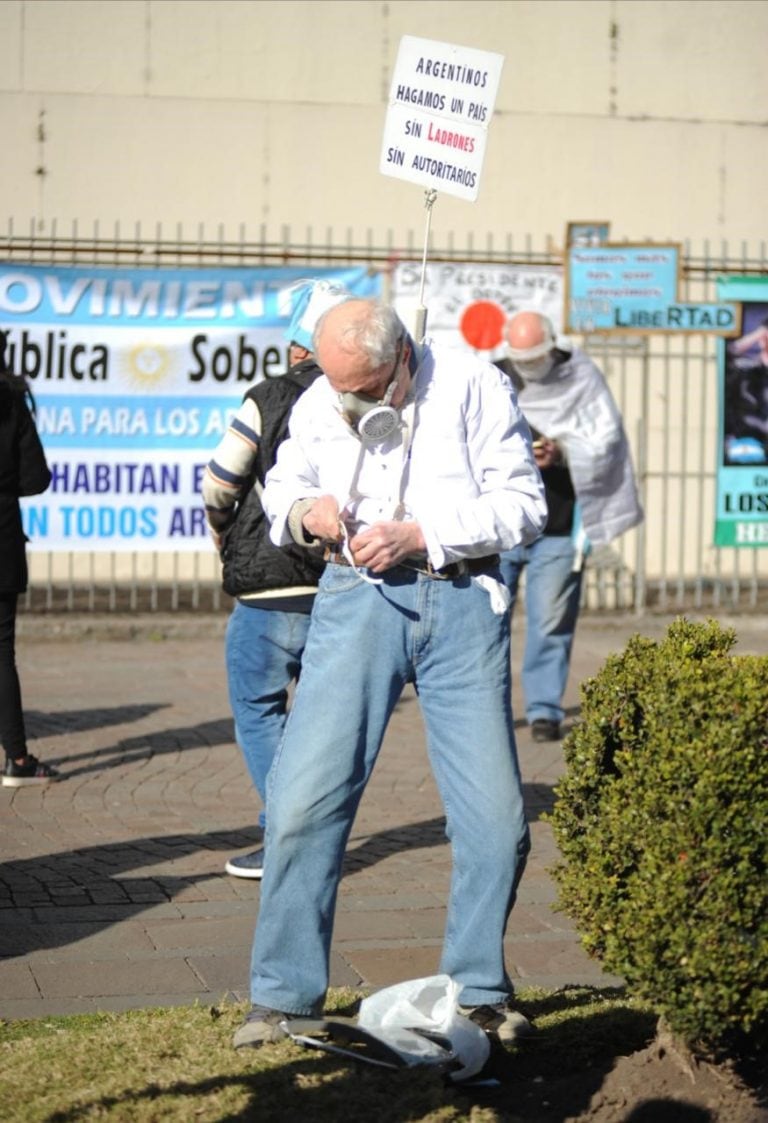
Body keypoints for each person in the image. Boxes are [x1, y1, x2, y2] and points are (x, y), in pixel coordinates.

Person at [232, 297, 547, 1050]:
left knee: (497, 822)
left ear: (403, 356)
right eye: (343, 389)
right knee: (303, 800)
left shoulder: (473, 384)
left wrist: (423, 533)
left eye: (370, 391)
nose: (353, 406)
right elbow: (278, 486)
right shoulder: (318, 402)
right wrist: (306, 510)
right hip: (355, 603)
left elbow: (524, 506)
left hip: (463, 601)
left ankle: (475, 992)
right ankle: (282, 997)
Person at [201, 280, 351, 878]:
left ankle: (285, 839)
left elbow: (221, 481)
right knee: (323, 721)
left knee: (259, 709)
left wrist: (220, 529)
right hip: (340, 582)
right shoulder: (367, 393)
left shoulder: (269, 396)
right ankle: (317, 831)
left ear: (296, 346)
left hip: (268, 586)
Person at [497, 310, 643, 743]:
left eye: (535, 356)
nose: (527, 366)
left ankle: (544, 710)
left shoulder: (580, 375)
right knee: (485, 624)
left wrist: (559, 452)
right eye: (520, 358)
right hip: (501, 529)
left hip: (560, 526)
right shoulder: (494, 377)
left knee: (550, 623)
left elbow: (605, 439)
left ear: (551, 345)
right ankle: (488, 708)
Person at [0, 331, 58, 787]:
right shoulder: (12, 401)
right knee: (2, 653)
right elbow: (36, 478)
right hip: (1, 543)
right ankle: (17, 760)